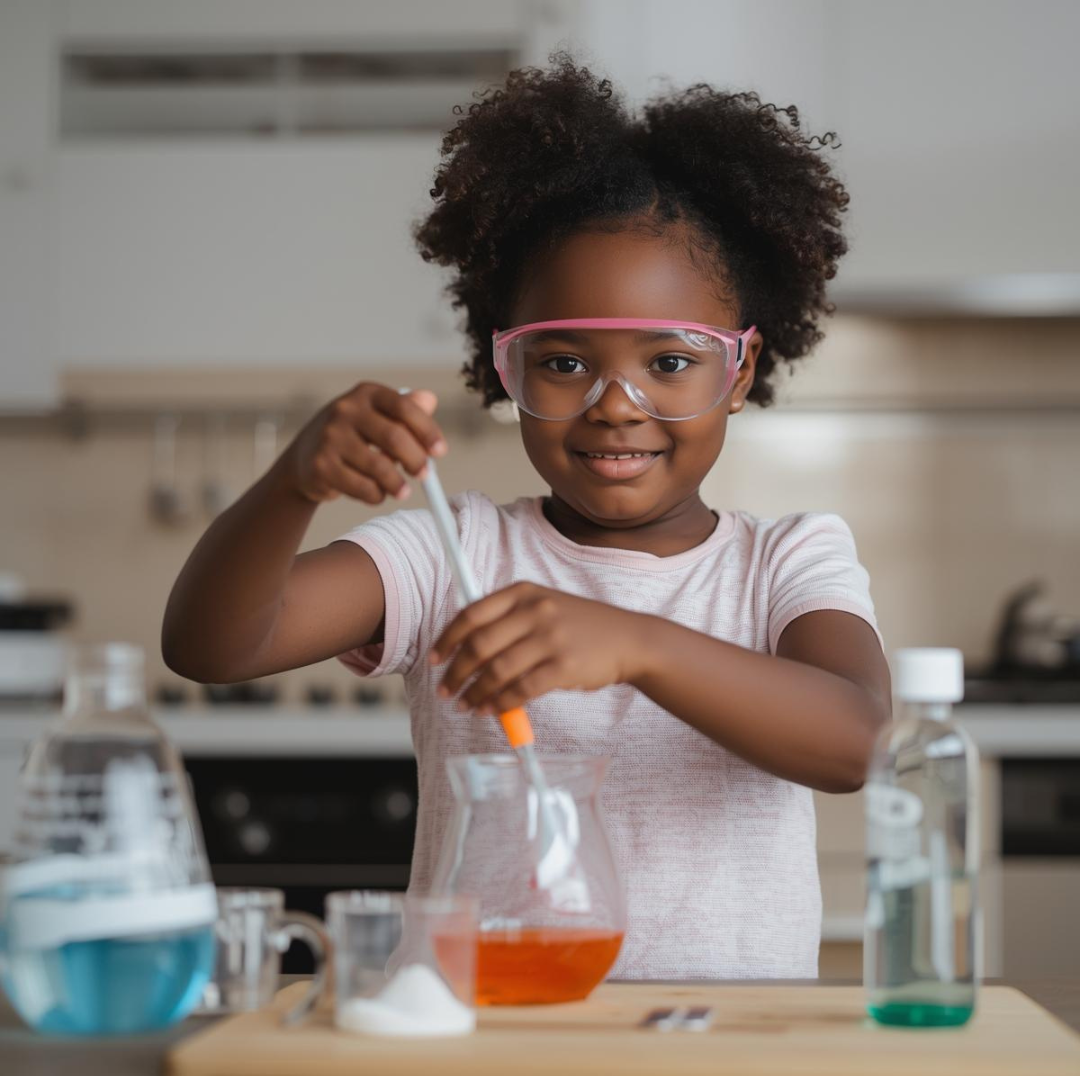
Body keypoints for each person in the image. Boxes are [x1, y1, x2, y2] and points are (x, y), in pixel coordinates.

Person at [163, 56, 890, 979]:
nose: (616, 404)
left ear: (738, 373)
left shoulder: (787, 559)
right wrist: (291, 486)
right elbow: (213, 647)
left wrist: (636, 644)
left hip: (724, 1051)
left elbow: (855, 741)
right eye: (563, 363)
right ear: (504, 371)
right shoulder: (452, 551)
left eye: (670, 362)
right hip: (491, 1040)